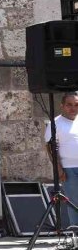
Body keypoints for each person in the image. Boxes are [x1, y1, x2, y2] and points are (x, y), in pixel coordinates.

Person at [44, 91, 78, 228]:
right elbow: (50, 147)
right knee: (74, 202)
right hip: (68, 169)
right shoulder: (55, 123)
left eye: (76, 105)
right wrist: (58, 168)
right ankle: (76, 234)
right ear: (62, 106)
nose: (73, 108)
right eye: (69, 105)